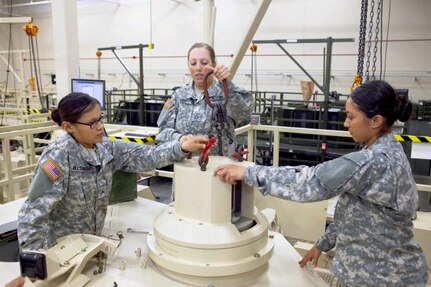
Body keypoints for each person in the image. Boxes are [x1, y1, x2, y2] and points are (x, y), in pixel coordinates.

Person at [213, 80, 429, 286]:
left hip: (381, 278)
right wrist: (322, 245)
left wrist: (249, 172)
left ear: (376, 121)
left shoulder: (372, 161)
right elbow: (361, 213)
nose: (346, 123)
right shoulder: (389, 149)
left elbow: (307, 182)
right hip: (394, 271)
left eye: (351, 117)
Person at [16, 92, 207, 251]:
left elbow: (147, 155)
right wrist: (36, 264)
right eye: (92, 123)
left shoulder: (105, 147)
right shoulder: (57, 157)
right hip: (61, 251)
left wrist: (182, 146)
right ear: (68, 127)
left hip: (90, 245)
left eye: (101, 118)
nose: (100, 126)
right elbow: (33, 214)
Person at [156, 42, 253, 156]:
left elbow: (244, 113)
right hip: (184, 167)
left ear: (214, 64)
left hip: (219, 168)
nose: (198, 68)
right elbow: (162, 131)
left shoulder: (226, 93)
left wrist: (228, 84)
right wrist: (181, 138)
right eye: (193, 63)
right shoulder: (178, 96)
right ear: (188, 65)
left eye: (204, 62)